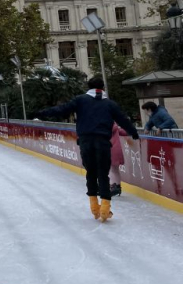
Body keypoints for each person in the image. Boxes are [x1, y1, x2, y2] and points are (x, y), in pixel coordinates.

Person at [37, 76, 139, 223]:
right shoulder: (110, 104)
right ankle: (105, 208)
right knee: (103, 175)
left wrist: (42, 113)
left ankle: (94, 207)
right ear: (102, 87)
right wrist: (133, 132)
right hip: (103, 142)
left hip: (85, 142)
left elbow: (61, 109)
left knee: (91, 173)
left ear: (88, 87)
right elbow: (123, 119)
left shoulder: (80, 100)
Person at [109, 122, 127, 197]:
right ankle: (118, 186)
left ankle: (113, 185)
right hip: (117, 150)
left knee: (111, 169)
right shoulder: (115, 127)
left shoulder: (104, 127)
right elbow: (124, 132)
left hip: (109, 149)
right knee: (115, 169)